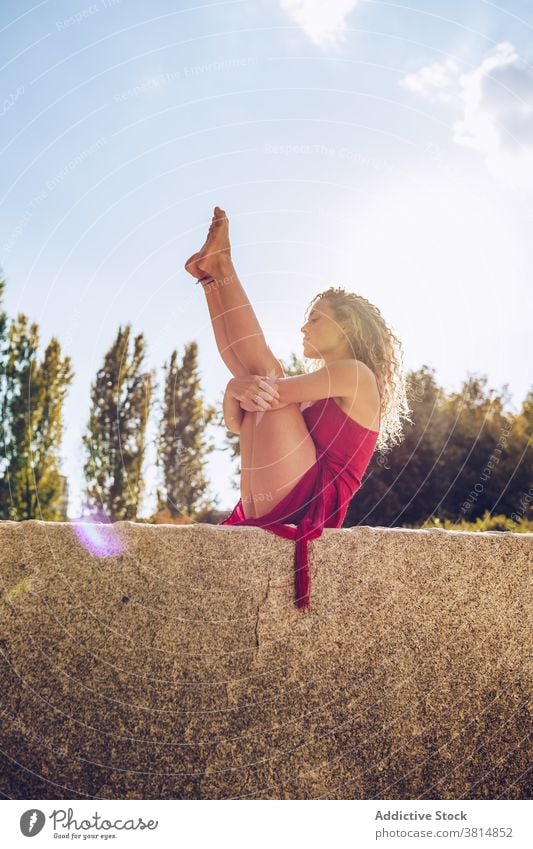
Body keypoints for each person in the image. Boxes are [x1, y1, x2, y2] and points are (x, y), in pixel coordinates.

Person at [184, 207, 410, 611]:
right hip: (281, 495)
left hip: (312, 502)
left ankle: (219, 271)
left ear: (347, 330)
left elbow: (267, 393)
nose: (304, 328)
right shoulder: (316, 388)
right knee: (258, 374)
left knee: (266, 372)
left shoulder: (355, 375)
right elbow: (241, 423)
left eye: (315, 320)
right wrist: (234, 389)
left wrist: (245, 387)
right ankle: (211, 277)